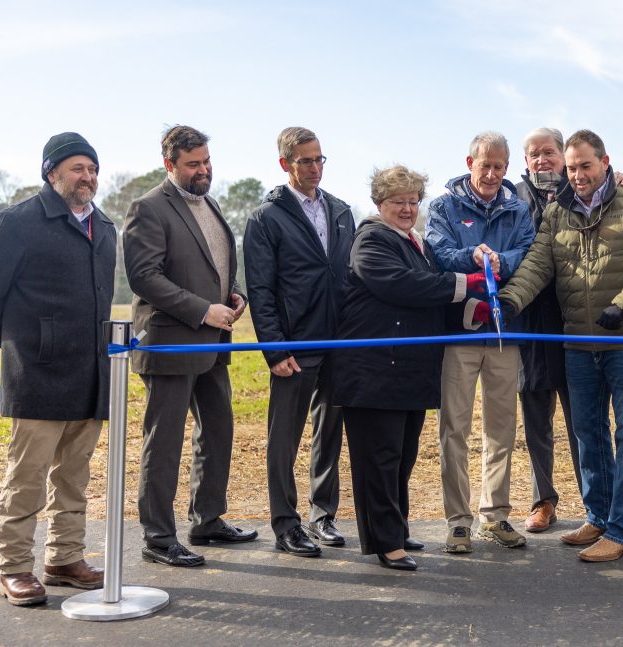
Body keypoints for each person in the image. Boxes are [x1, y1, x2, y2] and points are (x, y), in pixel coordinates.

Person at [499, 129, 623, 562]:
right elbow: (538, 264)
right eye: (574, 167)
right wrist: (508, 301)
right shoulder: (558, 214)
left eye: (585, 166)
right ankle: (599, 517)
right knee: (589, 434)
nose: (578, 175)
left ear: (604, 162)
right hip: (578, 342)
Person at [0, 132, 114, 605]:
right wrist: (24, 345)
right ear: (52, 174)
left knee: (74, 477)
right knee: (26, 479)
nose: (87, 177)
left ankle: (64, 558)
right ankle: (13, 569)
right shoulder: (19, 222)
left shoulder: (105, 227)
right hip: (36, 374)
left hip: (90, 374)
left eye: (92, 169)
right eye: (77, 168)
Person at [331, 165, 492, 570]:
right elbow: (401, 286)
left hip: (405, 372)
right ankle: (386, 544)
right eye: (397, 201)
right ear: (379, 204)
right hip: (373, 372)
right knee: (380, 459)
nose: (407, 208)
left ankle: (396, 528)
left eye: (412, 201)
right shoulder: (371, 240)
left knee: (401, 456)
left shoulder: (414, 242)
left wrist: (473, 310)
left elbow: (428, 302)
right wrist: (465, 282)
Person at [124, 125, 256, 568]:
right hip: (171, 343)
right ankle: (158, 537)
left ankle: (207, 520)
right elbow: (145, 277)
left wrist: (233, 293)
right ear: (169, 165)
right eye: (193, 164)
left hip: (215, 341)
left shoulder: (210, 204)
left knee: (217, 430)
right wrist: (203, 309)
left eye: (207, 162)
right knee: (164, 444)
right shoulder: (148, 208)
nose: (204, 170)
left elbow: (214, 265)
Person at [243, 127, 354, 557]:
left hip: (340, 343)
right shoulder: (266, 219)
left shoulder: (342, 211)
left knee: (330, 431)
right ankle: (285, 523)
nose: (314, 168)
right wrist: (274, 348)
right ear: (285, 164)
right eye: (305, 161)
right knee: (284, 437)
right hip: (294, 344)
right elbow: (261, 290)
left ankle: (322, 515)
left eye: (319, 159)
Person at [426, 131, 536, 554]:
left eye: (499, 166)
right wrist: (473, 256)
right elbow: (438, 251)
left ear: (507, 167)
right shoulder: (443, 206)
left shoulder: (518, 209)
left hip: (505, 332)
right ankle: (458, 520)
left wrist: (501, 261)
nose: (491, 174)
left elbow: (527, 252)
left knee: (502, 427)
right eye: (483, 164)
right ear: (468, 162)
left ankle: (496, 513)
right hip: (460, 332)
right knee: (454, 426)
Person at [514, 128, 580, 533]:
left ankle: (597, 504)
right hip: (530, 326)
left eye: (549, 153)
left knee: (584, 423)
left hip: (575, 324)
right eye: (534, 154)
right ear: (526, 161)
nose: (542, 160)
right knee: (536, 421)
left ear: (564, 155)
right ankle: (544, 500)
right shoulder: (512, 197)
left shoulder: (588, 190)